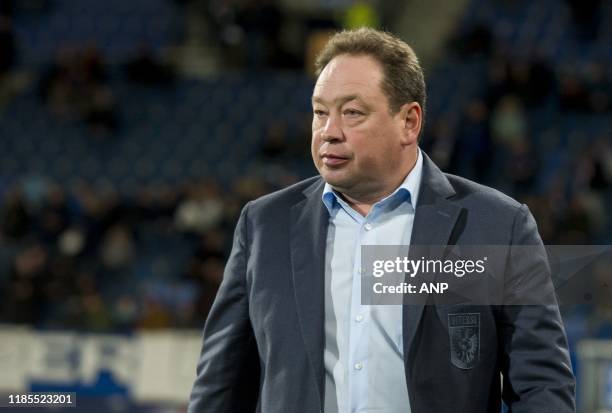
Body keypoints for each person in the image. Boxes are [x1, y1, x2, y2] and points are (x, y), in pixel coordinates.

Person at [188, 28, 575, 412]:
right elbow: (219, 389)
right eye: (320, 112)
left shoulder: (497, 225)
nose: (328, 132)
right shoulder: (263, 225)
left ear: (409, 121)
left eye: (352, 113)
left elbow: (542, 386)